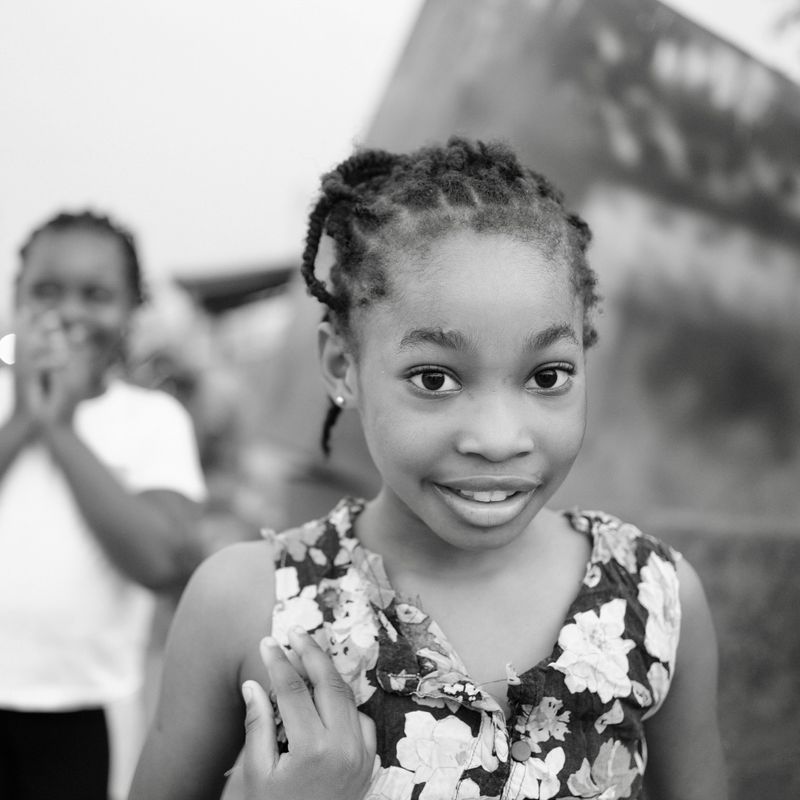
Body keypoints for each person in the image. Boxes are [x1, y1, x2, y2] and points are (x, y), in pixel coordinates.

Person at [129, 138, 727, 800]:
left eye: (547, 375)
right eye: (435, 378)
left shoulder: (654, 599)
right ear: (341, 367)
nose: (500, 439)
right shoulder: (249, 605)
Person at [0, 210, 207, 799]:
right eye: (45, 290)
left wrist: (61, 431)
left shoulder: (151, 420)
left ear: (132, 309)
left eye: (96, 294)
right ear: (15, 297)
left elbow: (161, 561)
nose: (68, 311)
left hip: (84, 709)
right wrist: (21, 421)